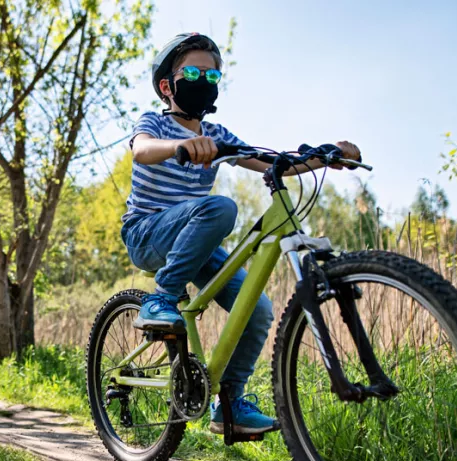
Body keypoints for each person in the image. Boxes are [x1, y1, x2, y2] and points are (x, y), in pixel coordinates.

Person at [122, 33, 361, 435]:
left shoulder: (219, 135)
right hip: (147, 234)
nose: (205, 80)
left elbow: (272, 163)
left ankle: (229, 403)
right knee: (222, 207)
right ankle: (161, 298)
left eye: (213, 75)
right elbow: (141, 149)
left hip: (194, 240)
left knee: (259, 310)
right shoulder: (154, 123)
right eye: (194, 72)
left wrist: (323, 156)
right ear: (167, 86)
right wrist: (182, 144)